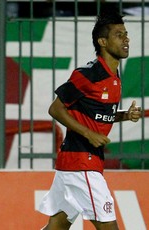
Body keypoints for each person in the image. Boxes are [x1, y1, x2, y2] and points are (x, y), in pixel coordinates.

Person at [38, 9, 142, 230]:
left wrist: (124, 115)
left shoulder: (113, 76)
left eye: (126, 34)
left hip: (77, 164)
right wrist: (89, 134)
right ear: (102, 41)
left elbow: (96, 113)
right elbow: (56, 109)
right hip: (81, 164)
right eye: (119, 35)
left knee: (55, 228)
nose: (126, 39)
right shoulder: (88, 74)